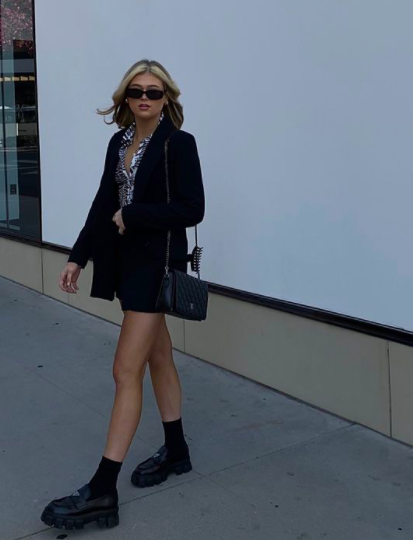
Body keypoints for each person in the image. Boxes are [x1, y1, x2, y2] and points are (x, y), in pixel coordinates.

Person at [40, 59, 205, 530]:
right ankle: (177, 450)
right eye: (137, 91)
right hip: (126, 265)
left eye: (154, 91)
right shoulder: (119, 142)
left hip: (156, 267)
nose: (145, 98)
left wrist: (134, 216)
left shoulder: (178, 144)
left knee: (124, 370)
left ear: (166, 98)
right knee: (159, 357)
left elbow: (193, 208)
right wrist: (78, 256)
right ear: (126, 99)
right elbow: (103, 203)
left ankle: (102, 489)